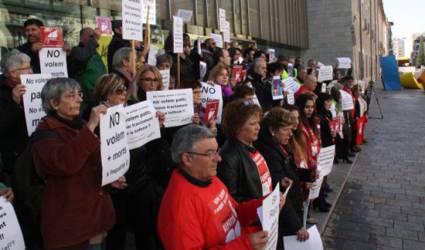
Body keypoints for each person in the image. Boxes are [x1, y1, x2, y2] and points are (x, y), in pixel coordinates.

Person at [32, 78, 127, 250]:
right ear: (54, 103)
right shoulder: (45, 133)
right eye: (71, 95)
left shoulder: (80, 126)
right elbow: (65, 164)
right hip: (71, 227)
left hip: (95, 218)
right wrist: (91, 125)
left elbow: (94, 163)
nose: (79, 99)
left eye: (79, 94)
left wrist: (109, 178)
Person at [158, 125, 272, 250]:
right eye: (209, 154)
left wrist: (265, 204)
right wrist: (245, 245)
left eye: (216, 151)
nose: (219, 158)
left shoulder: (208, 177)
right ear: (187, 159)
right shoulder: (179, 207)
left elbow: (235, 212)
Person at [255, 107, 309, 245]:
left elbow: (290, 172)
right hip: (282, 219)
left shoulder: (280, 145)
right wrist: (296, 225)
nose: (290, 134)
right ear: (272, 129)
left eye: (291, 130)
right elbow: (279, 193)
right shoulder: (268, 151)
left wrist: (309, 175)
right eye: (286, 130)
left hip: (289, 210)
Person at [218, 99, 273, 202]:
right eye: (252, 124)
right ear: (237, 127)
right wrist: (258, 205)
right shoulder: (229, 157)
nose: (258, 127)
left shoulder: (250, 143)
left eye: (258, 122)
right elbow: (230, 200)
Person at [0, 50, 32, 176]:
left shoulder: (33, 84)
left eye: (30, 67)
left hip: (33, 147)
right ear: (13, 73)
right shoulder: (2, 91)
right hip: (14, 153)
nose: (31, 71)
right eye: (27, 68)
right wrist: (14, 103)